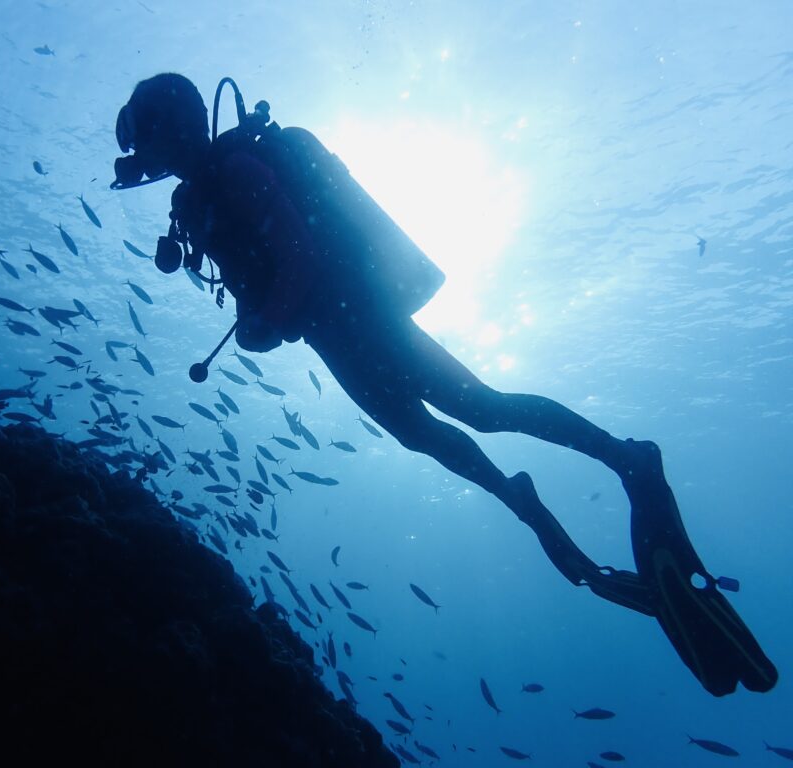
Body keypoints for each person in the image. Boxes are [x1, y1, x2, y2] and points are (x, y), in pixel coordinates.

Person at [111, 72, 777, 697]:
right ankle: (525, 503)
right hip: (334, 331)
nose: (149, 155)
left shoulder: (240, 168)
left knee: (478, 408)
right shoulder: (198, 195)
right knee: (420, 435)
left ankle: (627, 457)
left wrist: (266, 324)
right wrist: (262, 314)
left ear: (180, 125)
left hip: (355, 309)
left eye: (151, 136)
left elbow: (297, 253)